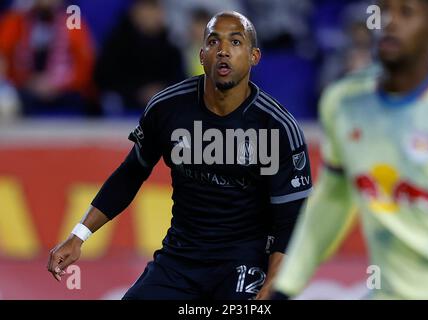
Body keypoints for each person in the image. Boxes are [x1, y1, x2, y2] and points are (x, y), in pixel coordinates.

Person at [47, 11, 313, 300]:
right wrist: (78, 236)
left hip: (245, 263)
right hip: (180, 262)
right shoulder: (167, 108)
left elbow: (292, 218)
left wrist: (274, 283)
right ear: (201, 55)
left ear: (254, 57)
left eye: (236, 42)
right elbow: (130, 174)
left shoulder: (276, 127)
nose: (223, 51)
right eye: (214, 42)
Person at [271, 0, 428, 300]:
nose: (389, 22)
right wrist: (284, 287)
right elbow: (333, 198)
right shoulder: (344, 102)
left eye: (406, 12)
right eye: (383, 10)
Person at [0, 0, 95, 115]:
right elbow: (4, 56)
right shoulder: (16, 21)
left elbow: (84, 65)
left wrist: (57, 83)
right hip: (25, 91)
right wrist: (28, 81)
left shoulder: (73, 22)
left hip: (65, 92)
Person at [94, 0, 185, 115]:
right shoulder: (117, 42)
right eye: (146, 9)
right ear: (134, 12)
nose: (151, 15)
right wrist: (138, 93)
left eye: (154, 9)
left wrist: (161, 90)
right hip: (125, 103)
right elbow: (104, 78)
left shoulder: (170, 46)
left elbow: (180, 79)